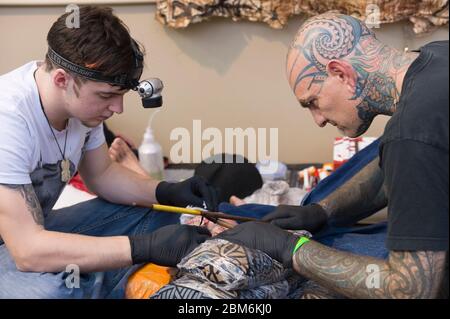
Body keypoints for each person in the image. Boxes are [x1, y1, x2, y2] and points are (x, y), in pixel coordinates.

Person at [218, 13, 448, 298]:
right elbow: (387, 168)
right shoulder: (437, 55)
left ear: (341, 73)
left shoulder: (412, 132)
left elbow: (410, 289)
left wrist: (291, 249)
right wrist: (322, 210)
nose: (318, 120)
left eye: (313, 102)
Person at [0, 6, 218, 298]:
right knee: (54, 293)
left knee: (155, 216)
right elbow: (27, 250)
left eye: (120, 96)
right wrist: (144, 248)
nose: (117, 108)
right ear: (62, 79)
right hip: (20, 244)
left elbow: (102, 175)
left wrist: (168, 191)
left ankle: (97, 279)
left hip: (33, 232)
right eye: (106, 96)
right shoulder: (9, 117)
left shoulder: (81, 111)